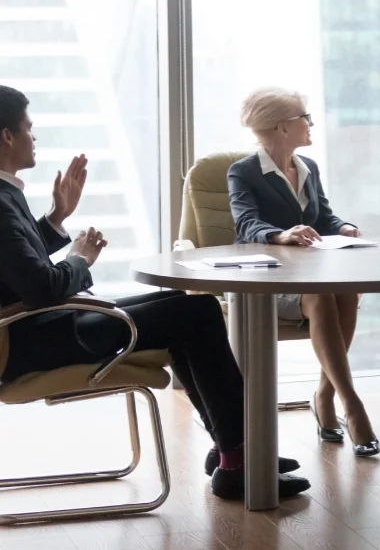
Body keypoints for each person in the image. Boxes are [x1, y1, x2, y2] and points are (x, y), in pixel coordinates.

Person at [0, 85, 310, 500]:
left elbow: (16, 266)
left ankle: (231, 447)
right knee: (195, 315)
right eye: (28, 128)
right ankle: (237, 455)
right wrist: (80, 258)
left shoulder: (5, 194)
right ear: (6, 136)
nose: (33, 137)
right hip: (34, 338)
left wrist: (57, 217)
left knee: (188, 305)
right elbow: (40, 287)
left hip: (38, 327)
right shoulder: (1, 203)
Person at [227, 87, 379, 457]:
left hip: (312, 273)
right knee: (321, 297)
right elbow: (246, 224)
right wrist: (281, 234)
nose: (311, 124)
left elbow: (324, 217)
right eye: (304, 118)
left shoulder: (309, 167)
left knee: (346, 290)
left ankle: (325, 396)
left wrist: (343, 227)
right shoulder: (244, 172)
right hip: (267, 281)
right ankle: (352, 406)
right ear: (282, 127)